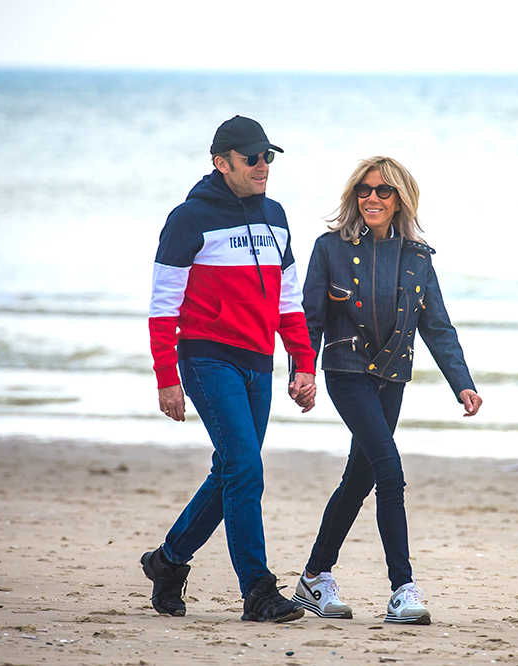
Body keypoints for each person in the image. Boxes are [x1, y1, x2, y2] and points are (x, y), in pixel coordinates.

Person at [142, 115, 318, 623]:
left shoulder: (276, 216)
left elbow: (289, 299)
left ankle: (167, 562)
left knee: (231, 471)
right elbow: (163, 305)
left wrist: (303, 363)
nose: (264, 166)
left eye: (269, 156)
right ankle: (258, 591)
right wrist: (166, 377)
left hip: (257, 363)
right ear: (222, 163)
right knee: (245, 467)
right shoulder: (188, 218)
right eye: (253, 158)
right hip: (205, 357)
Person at [292, 156, 483, 625]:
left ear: (400, 200)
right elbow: (310, 318)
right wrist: (303, 371)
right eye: (364, 190)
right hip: (346, 370)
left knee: (358, 480)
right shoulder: (329, 248)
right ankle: (403, 588)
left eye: (383, 191)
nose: (372, 198)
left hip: (392, 376)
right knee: (388, 469)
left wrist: (463, 384)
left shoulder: (418, 257)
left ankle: (314, 577)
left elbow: (437, 326)